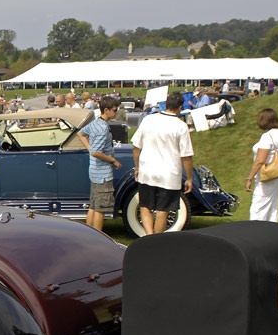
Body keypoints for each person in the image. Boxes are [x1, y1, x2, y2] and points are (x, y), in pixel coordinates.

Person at [131, 92, 194, 234]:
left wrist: (137, 167)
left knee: (145, 205)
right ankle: (155, 239)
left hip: (147, 170)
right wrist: (189, 178)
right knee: (162, 209)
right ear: (179, 107)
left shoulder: (148, 120)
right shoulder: (181, 126)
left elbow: (136, 147)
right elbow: (187, 156)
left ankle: (148, 234)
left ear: (166, 105)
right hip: (169, 173)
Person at [76, 96, 123, 231]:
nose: (116, 112)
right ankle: (97, 236)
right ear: (106, 110)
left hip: (94, 172)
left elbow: (81, 134)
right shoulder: (103, 128)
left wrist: (89, 148)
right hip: (103, 174)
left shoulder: (96, 123)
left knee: (93, 205)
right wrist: (113, 160)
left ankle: (89, 233)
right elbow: (97, 152)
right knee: (101, 209)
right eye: (114, 110)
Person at [244, 108, 278, 222]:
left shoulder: (267, 137)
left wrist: (250, 178)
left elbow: (260, 160)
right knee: (272, 206)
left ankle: (256, 232)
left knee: (258, 208)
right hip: (277, 174)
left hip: (266, 175)